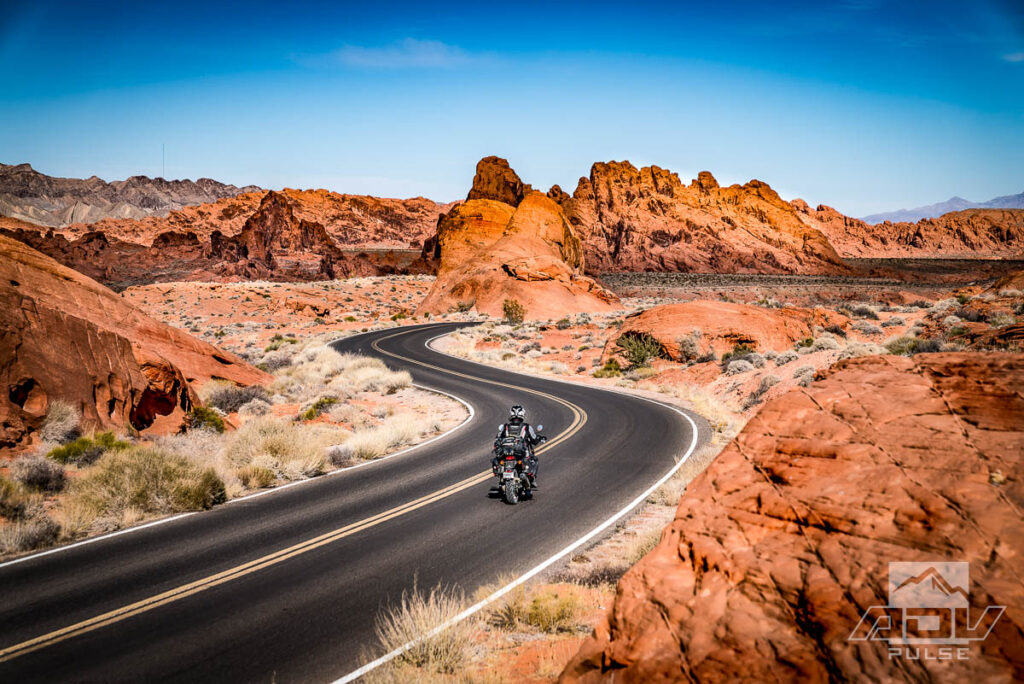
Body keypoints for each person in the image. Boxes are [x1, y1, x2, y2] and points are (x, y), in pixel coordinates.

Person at [492, 404, 545, 487]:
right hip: (521, 452)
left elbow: (498, 437)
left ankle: (502, 480)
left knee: (500, 460)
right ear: (522, 414)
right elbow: (534, 440)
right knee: (534, 459)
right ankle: (530, 479)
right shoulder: (527, 427)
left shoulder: (505, 427)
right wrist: (540, 438)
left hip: (506, 452)